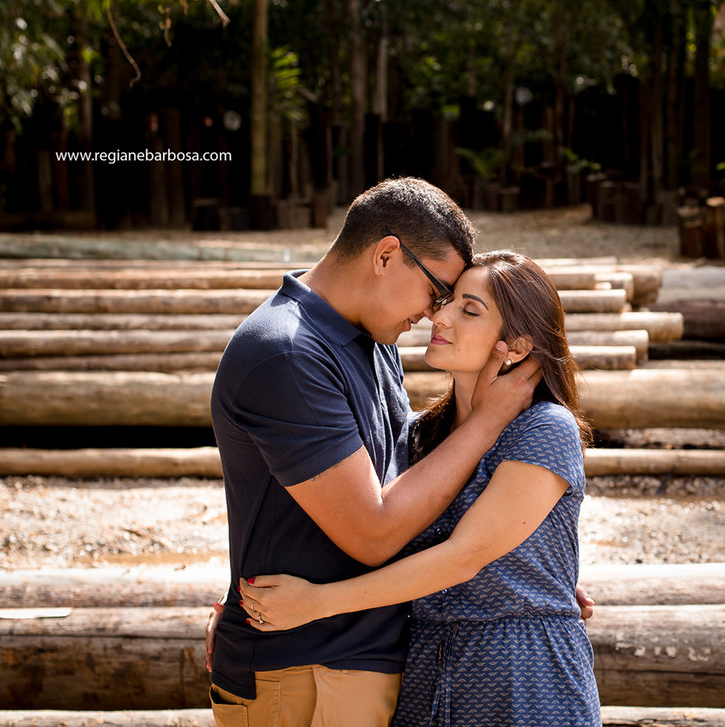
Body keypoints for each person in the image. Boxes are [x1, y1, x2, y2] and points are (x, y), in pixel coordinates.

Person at [207, 178, 544, 727]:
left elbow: (405, 463)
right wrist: (487, 421)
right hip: (302, 669)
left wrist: (519, 561)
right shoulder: (286, 354)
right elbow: (374, 530)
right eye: (437, 292)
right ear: (387, 254)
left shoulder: (369, 337)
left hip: (357, 659)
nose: (436, 314)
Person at [234, 250, 603, 727]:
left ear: (515, 347)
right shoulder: (420, 435)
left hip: (524, 675)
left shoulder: (545, 428)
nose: (439, 314)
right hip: (427, 673)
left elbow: (464, 556)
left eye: (469, 310)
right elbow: (334, 502)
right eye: (447, 300)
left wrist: (316, 604)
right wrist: (238, 592)